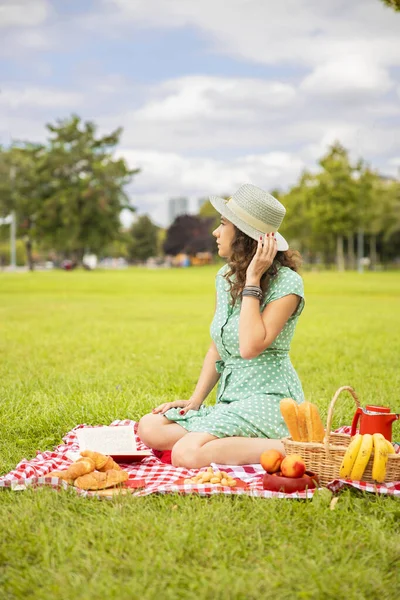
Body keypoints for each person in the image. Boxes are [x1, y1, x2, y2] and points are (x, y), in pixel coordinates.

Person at [138, 184, 305, 469]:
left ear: (244, 236)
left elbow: (250, 347)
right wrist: (195, 401)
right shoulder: (225, 276)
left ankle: (291, 447)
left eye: (223, 224)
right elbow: (217, 346)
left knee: (186, 454)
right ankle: (227, 439)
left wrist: (253, 281)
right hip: (232, 400)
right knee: (150, 427)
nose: (216, 232)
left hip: (270, 399)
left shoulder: (288, 284)